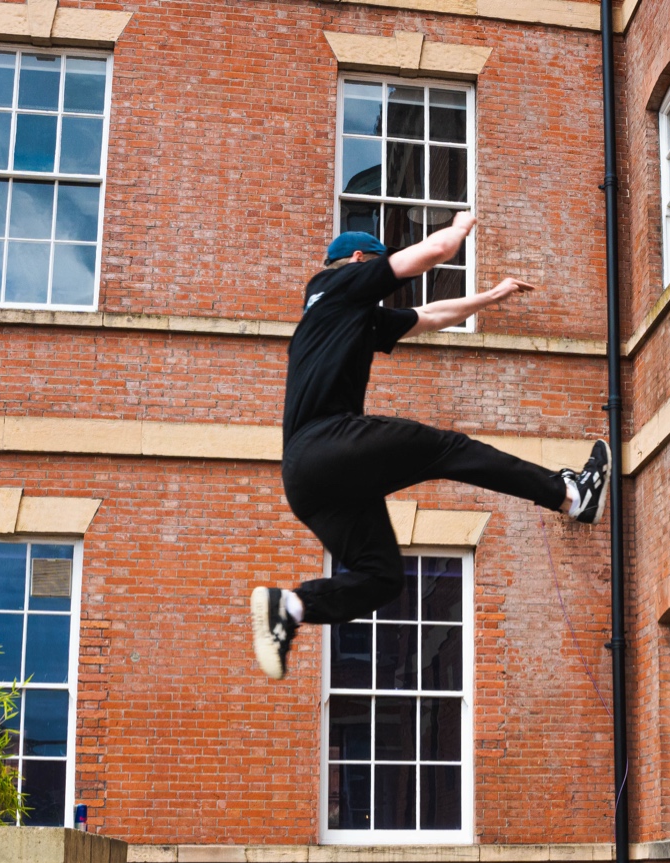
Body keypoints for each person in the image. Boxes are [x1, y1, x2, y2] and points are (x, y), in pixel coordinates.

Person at [249, 212, 609, 679]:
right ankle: (572, 495)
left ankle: (293, 606)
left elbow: (434, 315)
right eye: (377, 268)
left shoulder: (341, 317)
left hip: (305, 480)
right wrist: (460, 227)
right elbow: (432, 254)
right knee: (448, 449)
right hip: (329, 442)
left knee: (379, 577)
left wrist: (492, 296)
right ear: (359, 261)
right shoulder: (340, 284)